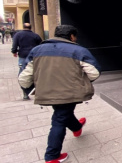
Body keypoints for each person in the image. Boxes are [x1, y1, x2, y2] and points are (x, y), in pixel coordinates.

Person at [18, 25, 101, 163]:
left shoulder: (37, 50)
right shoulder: (78, 50)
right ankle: (52, 156)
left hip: (46, 91)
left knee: (62, 113)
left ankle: (77, 127)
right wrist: (81, 82)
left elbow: (24, 76)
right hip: (70, 92)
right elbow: (94, 72)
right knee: (59, 119)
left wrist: (29, 89)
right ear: (72, 36)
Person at [11, 23, 42, 100]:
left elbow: (14, 44)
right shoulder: (35, 35)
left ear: (23, 27)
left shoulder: (18, 35)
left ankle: (25, 93)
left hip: (23, 56)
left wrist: (14, 51)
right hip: (34, 56)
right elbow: (41, 45)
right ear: (31, 28)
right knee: (36, 73)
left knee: (23, 74)